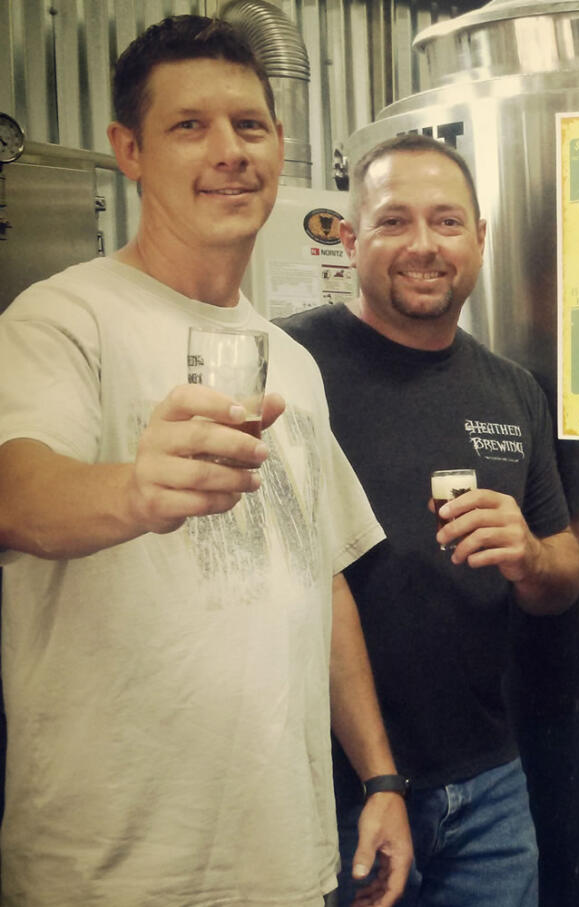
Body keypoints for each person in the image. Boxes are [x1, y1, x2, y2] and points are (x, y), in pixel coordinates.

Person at [0, 16, 412, 907]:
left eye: (249, 126)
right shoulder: (62, 318)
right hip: (110, 874)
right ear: (129, 150)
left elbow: (323, 576)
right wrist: (136, 491)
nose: (229, 151)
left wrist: (380, 778)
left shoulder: (290, 360)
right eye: (190, 126)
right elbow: (17, 494)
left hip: (286, 862)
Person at [279, 133, 579, 907]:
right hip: (330, 790)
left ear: (480, 240)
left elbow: (564, 573)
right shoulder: (290, 364)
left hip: (489, 784)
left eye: (447, 222)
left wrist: (530, 558)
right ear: (350, 240)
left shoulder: (512, 390)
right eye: (394, 222)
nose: (424, 246)